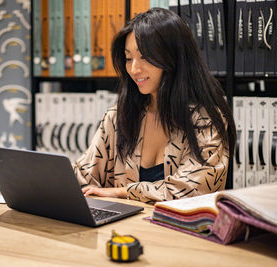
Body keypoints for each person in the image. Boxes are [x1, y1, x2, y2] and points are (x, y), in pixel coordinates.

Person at [73, 8, 236, 203]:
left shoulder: (205, 121)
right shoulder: (118, 117)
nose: (134, 69)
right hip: (124, 230)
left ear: (173, 57)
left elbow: (192, 191)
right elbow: (83, 177)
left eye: (145, 57)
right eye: (128, 58)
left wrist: (122, 192)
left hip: (180, 231)